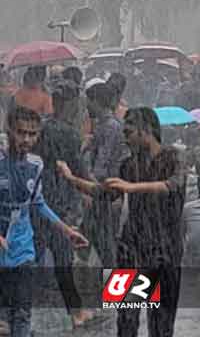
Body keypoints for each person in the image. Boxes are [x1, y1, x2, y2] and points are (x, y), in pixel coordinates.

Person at [59, 107, 186, 337]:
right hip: (132, 246)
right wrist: (71, 179)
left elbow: (172, 185)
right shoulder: (129, 164)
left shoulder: (173, 157)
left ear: (146, 130)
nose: (125, 139)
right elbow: (103, 192)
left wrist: (133, 187)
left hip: (166, 248)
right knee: (126, 320)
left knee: (161, 324)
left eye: (128, 133)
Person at [0, 106, 89, 337]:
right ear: (9, 130)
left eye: (32, 134)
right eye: (21, 133)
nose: (26, 139)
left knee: (22, 310)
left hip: (23, 247)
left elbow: (38, 203)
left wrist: (67, 231)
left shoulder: (36, 164)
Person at [34, 81, 95, 328]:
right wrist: (89, 189)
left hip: (36, 197)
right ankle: (76, 311)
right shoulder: (68, 132)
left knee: (32, 254)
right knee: (62, 259)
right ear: (69, 104)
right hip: (58, 203)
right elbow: (76, 165)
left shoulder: (40, 126)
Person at [82, 82, 125, 268]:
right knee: (96, 232)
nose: (86, 106)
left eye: (89, 102)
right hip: (104, 187)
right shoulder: (104, 125)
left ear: (97, 101)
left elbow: (104, 161)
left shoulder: (110, 126)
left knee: (103, 235)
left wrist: (90, 182)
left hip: (105, 188)